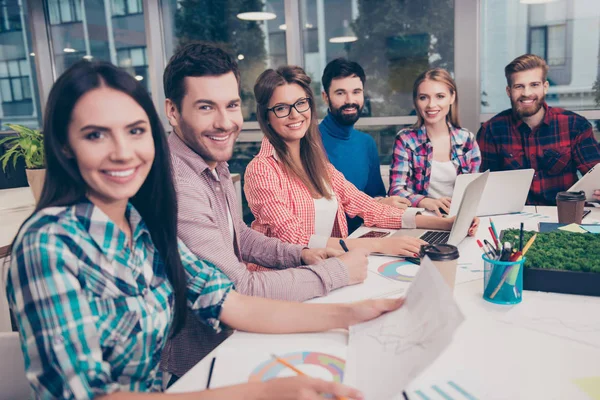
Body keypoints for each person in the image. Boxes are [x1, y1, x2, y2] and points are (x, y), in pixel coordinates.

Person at [5, 60, 404, 400]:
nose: (123, 151)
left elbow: (229, 302)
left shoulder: (140, 224)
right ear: (63, 146)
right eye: (95, 134)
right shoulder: (47, 245)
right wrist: (261, 392)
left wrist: (357, 312)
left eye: (135, 130)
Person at [160, 43, 369, 381]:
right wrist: (337, 273)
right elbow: (238, 290)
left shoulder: (213, 162)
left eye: (230, 105)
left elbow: (238, 236)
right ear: (173, 111)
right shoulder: (177, 184)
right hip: (198, 365)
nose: (225, 122)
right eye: (205, 107)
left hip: (236, 339)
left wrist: (300, 255)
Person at [244, 66, 479, 256]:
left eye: (301, 103)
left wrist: (447, 224)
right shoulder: (262, 169)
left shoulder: (316, 161)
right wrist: (377, 246)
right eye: (282, 108)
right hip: (287, 277)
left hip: (331, 265)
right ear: (266, 115)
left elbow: (368, 207)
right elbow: (295, 239)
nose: (295, 114)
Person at [477, 54, 600, 205]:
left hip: (565, 217)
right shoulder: (491, 131)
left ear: (545, 87)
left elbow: (595, 177)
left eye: (534, 85)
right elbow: (485, 188)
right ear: (509, 91)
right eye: (519, 86)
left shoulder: (575, 125)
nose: (526, 93)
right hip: (514, 219)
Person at [319, 58, 410, 232]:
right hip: (329, 245)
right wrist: (379, 203)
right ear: (325, 97)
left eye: (356, 92)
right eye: (340, 93)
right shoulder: (309, 144)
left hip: (367, 234)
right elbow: (320, 210)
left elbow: (377, 197)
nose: (349, 100)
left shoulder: (366, 143)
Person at [388, 68, 481, 216]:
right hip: (420, 218)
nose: (431, 104)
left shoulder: (467, 140)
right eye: (423, 97)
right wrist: (425, 201)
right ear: (415, 102)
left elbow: (475, 191)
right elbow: (395, 190)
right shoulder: (405, 140)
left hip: (458, 217)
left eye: (440, 96)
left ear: (452, 98)